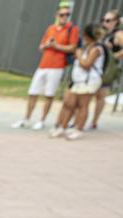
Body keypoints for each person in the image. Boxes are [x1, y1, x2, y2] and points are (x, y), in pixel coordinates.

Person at [13, 3, 80, 131]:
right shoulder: (50, 28)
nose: (64, 17)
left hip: (57, 66)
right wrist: (47, 45)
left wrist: (56, 46)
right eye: (62, 14)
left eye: (67, 15)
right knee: (33, 92)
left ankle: (41, 120)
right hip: (43, 65)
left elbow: (72, 47)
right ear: (57, 15)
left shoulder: (72, 29)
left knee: (49, 95)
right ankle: (26, 118)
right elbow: (41, 46)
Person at [51, 23, 108, 140]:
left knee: (82, 106)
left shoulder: (97, 49)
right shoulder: (86, 47)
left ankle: (78, 129)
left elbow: (86, 64)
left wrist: (79, 55)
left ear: (88, 35)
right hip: (78, 81)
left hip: (88, 82)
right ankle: (63, 127)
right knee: (68, 104)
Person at [92, 10, 122, 129]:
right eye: (103, 20)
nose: (105, 23)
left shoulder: (118, 34)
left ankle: (94, 122)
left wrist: (114, 56)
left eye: (108, 20)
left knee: (100, 95)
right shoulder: (104, 33)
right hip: (97, 67)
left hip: (107, 69)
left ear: (116, 22)